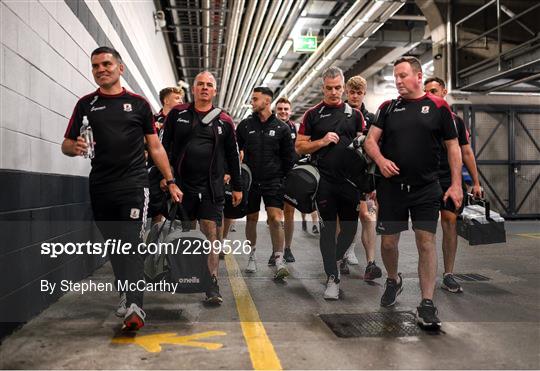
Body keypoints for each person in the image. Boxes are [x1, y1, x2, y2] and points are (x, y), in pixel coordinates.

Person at [61, 46, 182, 331]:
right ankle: (126, 292)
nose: (101, 70)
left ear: (120, 68)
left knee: (130, 243)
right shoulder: (86, 105)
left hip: (133, 185)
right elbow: (66, 144)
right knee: (115, 246)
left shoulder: (138, 104)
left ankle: (135, 306)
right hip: (100, 186)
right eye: (95, 66)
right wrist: (74, 146)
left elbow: (155, 146)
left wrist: (171, 179)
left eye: (106, 64)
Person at [364, 56, 463, 328]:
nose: (398, 81)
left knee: (426, 242)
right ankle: (394, 279)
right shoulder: (387, 107)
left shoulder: (439, 107)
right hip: (392, 188)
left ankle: (427, 303)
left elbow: (454, 147)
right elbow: (370, 141)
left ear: (419, 76)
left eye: (403, 75)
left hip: (427, 188)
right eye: (395, 76)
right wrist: (381, 161)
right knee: (387, 243)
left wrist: (455, 184)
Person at [161, 71, 243, 305]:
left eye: (209, 85)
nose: (205, 88)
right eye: (200, 84)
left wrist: (237, 186)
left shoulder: (224, 120)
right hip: (181, 187)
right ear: (193, 89)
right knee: (187, 234)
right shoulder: (178, 114)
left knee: (211, 236)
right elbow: (164, 147)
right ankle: (184, 276)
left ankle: (211, 283)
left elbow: (233, 156)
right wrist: (166, 178)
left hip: (211, 188)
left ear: (215, 91)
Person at [296, 66, 365, 300]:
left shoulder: (355, 115)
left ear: (344, 87)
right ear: (322, 87)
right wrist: (322, 142)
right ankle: (332, 278)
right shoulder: (313, 114)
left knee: (349, 230)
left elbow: (364, 144)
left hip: (351, 183)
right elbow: (300, 146)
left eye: (338, 88)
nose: (334, 92)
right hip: (324, 181)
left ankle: (334, 259)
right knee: (326, 232)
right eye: (329, 88)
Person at [424, 77, 483, 293]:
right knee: (426, 228)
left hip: (451, 178)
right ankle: (428, 274)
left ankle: (448, 274)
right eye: (427, 92)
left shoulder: (456, 121)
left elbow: (466, 152)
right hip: (427, 178)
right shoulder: (422, 119)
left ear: (444, 91)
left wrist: (475, 182)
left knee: (449, 222)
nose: (430, 95)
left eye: (434, 91)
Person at [236, 87, 295, 279]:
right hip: (251, 181)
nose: (252, 102)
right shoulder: (244, 126)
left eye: (255, 99)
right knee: (251, 219)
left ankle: (279, 259)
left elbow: (288, 159)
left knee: (276, 219)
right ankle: (251, 255)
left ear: (267, 101)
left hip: (274, 180)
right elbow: (234, 152)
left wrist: (286, 181)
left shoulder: (282, 128)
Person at [340, 75, 382, 281]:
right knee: (344, 219)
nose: (355, 96)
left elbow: (376, 151)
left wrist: (373, 182)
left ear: (364, 94)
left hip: (363, 178)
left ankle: (371, 263)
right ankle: (342, 256)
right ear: (346, 92)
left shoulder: (373, 119)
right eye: (352, 92)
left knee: (366, 216)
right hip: (341, 177)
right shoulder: (339, 115)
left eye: (359, 92)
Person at [147, 87, 184, 225]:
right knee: (156, 211)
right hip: (154, 171)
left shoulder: (182, 121)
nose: (180, 101)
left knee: (177, 212)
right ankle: (153, 242)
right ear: (166, 100)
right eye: (176, 98)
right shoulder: (152, 120)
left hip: (175, 172)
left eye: (181, 98)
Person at [275, 97, 300, 263]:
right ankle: (275, 251)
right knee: (275, 215)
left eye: (286, 109)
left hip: (290, 176)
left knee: (289, 213)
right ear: (275, 111)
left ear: (290, 111)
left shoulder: (294, 128)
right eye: (280, 109)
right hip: (274, 177)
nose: (283, 111)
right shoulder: (270, 127)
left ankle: (288, 248)